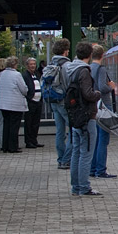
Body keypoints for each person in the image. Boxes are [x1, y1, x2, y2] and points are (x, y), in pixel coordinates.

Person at [65, 42, 102, 196]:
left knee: (76, 153)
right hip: (86, 116)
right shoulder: (84, 71)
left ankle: (75, 187)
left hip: (75, 116)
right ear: (90, 55)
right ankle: (84, 187)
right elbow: (87, 93)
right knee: (86, 154)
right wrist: (97, 94)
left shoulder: (70, 69)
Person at [89, 44, 117, 178]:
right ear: (102, 55)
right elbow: (102, 88)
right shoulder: (101, 69)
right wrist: (111, 86)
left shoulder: (88, 68)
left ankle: (92, 169)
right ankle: (100, 170)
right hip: (103, 107)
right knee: (103, 139)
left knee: (94, 139)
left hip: (93, 106)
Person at [0, 56, 28, 153]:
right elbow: (24, 89)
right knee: (14, 126)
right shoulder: (17, 74)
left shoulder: (2, 74)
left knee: (6, 125)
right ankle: (13, 147)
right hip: (15, 104)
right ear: (14, 64)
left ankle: (5, 146)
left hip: (3, 104)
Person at [49, 39, 72, 169]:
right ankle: (66, 160)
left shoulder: (51, 64)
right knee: (74, 130)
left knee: (60, 132)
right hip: (64, 101)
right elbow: (69, 84)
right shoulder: (66, 65)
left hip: (54, 101)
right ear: (65, 51)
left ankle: (60, 159)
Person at [21, 57, 44, 149]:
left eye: (34, 64)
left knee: (36, 122)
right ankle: (28, 141)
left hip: (38, 102)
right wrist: (29, 98)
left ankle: (34, 140)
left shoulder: (37, 74)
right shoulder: (25, 75)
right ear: (27, 65)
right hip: (31, 102)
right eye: (31, 64)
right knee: (29, 123)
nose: (33, 66)